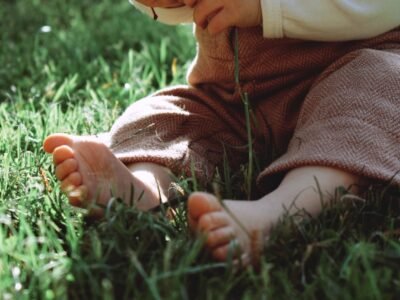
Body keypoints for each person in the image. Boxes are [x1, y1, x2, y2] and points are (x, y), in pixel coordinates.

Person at [43, 0, 400, 265]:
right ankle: (144, 190)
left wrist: (266, 7)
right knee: (169, 116)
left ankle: (280, 212)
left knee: (378, 91)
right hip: (236, 96)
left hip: (353, 73)